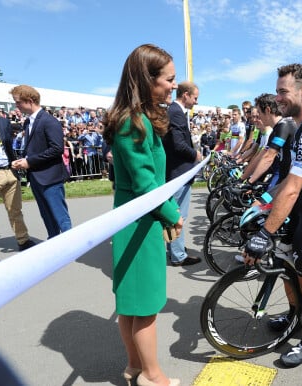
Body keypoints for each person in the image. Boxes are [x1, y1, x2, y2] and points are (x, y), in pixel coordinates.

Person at [243, 63, 302, 368]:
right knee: (289, 270)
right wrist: (264, 201)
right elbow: (287, 182)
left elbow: (294, 188)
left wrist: (265, 233)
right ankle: (296, 314)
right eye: (277, 91)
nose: (278, 97)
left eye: (283, 91)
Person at [102, 43, 183, 386]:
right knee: (145, 306)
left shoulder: (134, 119)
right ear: (146, 80)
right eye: (169, 79)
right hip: (139, 223)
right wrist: (173, 214)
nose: (174, 86)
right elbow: (146, 184)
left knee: (131, 304)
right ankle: (153, 376)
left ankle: (135, 366)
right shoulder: (133, 122)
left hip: (134, 220)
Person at [10, 85, 72, 238]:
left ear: (29, 101)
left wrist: (29, 162)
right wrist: (22, 160)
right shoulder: (28, 122)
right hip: (36, 177)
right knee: (46, 215)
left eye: (18, 102)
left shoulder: (49, 121)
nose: (16, 106)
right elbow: (34, 147)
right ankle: (53, 242)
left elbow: (57, 149)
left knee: (60, 216)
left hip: (50, 177)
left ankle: (70, 245)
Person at [0, 92, 34, 265]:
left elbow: (8, 145)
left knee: (15, 210)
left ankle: (23, 241)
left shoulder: (2, 121)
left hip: (9, 171)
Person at [162, 81, 202, 267]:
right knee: (179, 215)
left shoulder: (174, 111)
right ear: (185, 95)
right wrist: (195, 154)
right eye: (195, 97)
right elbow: (178, 144)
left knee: (174, 213)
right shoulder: (176, 112)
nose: (196, 102)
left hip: (175, 171)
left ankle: (175, 250)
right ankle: (178, 255)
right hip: (179, 172)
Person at [241, 93, 296, 190]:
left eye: (259, 113)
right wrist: (242, 179)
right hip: (282, 174)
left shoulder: (284, 125)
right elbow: (261, 155)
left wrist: (250, 182)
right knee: (260, 200)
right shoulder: (275, 130)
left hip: (289, 178)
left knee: (260, 204)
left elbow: (268, 157)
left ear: (267, 110)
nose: (258, 117)